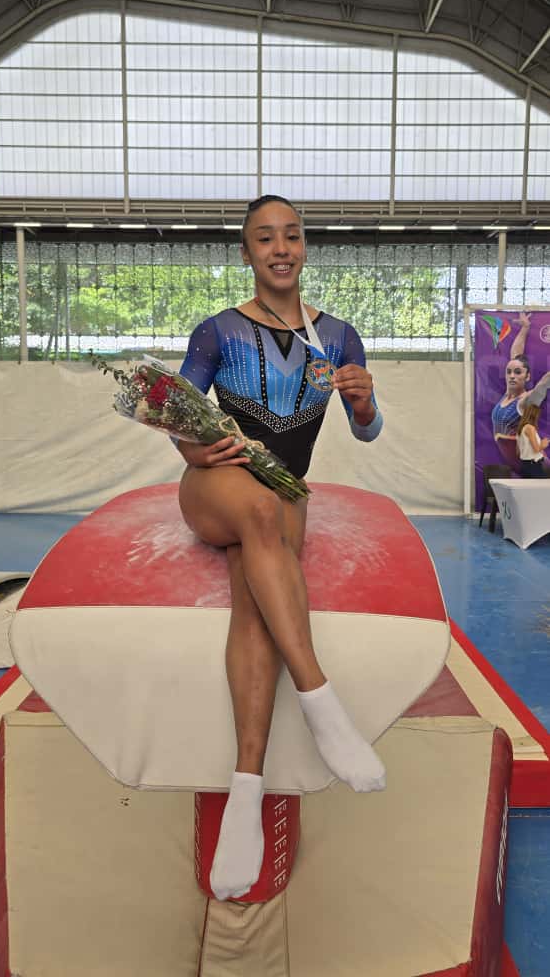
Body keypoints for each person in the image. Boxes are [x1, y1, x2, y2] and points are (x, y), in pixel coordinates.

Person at [175, 195, 384, 902]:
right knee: (259, 510)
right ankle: (321, 700)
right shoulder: (217, 331)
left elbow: (366, 429)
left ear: (305, 247)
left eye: (291, 236)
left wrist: (364, 402)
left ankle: (246, 790)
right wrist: (196, 449)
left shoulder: (340, 337)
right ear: (247, 253)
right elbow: (175, 415)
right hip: (216, 486)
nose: (280, 248)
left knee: (254, 598)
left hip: (284, 490)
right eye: (264, 238)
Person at [491, 311, 550, 471]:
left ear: (527, 376)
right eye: (509, 372)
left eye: (518, 373)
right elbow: (515, 356)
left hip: (537, 466)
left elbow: (543, 384)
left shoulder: (525, 401)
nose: (512, 376)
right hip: (519, 465)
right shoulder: (507, 395)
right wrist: (525, 328)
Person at [516, 404, 549, 478]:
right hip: (533, 465)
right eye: (538, 415)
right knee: (540, 485)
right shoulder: (530, 428)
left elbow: (518, 450)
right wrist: (543, 444)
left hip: (526, 464)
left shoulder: (521, 428)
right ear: (534, 415)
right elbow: (536, 449)